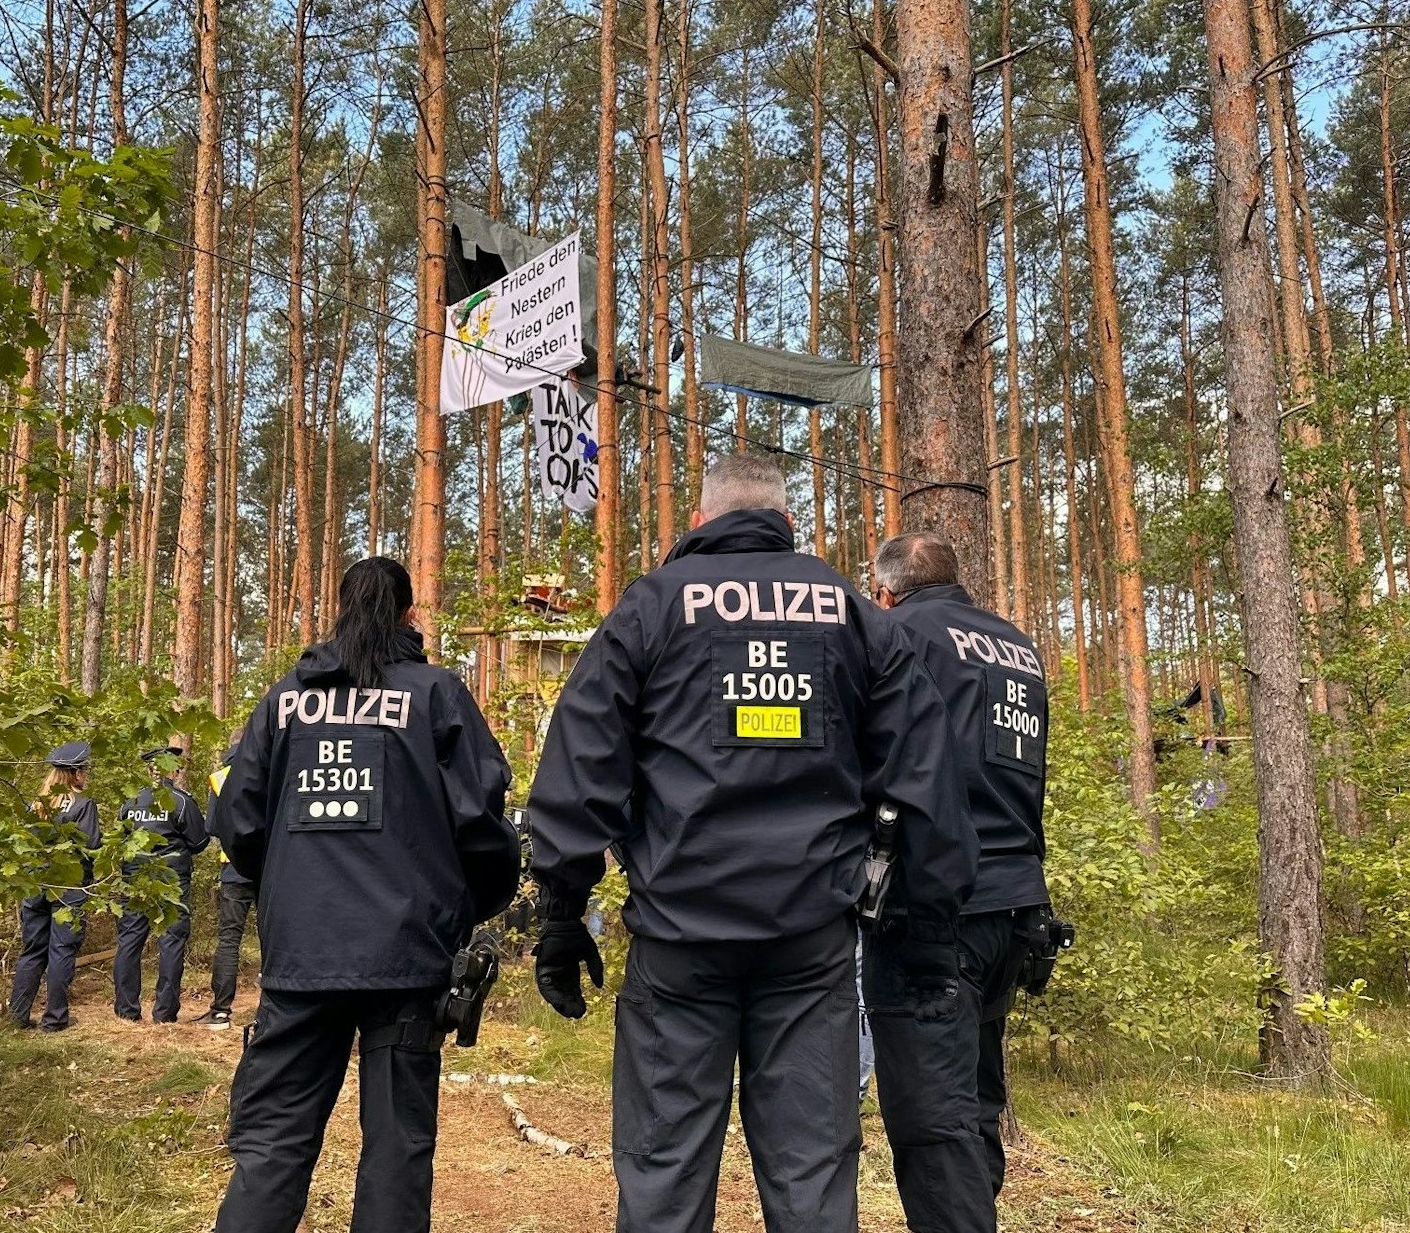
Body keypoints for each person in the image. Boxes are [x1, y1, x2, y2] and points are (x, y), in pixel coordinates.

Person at [527, 452, 976, 1233]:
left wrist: (561, 912)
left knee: (664, 1174)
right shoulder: (850, 609)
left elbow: (580, 765)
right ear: (787, 525)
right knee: (810, 1178)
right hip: (810, 944)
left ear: (698, 523)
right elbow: (927, 775)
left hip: (679, 939)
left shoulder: (652, 605)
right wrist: (931, 928)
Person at [210, 556, 521, 1233]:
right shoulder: (436, 696)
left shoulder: (285, 701)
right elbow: (485, 823)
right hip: (407, 959)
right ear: (411, 615)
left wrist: (290, 892)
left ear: (340, 609)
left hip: (303, 960)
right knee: (397, 1151)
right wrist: (467, 909)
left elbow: (236, 817)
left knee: (272, 1147)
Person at [869, 532, 1054, 1233]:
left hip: (933, 905)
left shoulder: (897, 633)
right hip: (1015, 904)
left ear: (887, 589)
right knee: (974, 1104)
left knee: (930, 1119)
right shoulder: (1017, 647)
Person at [7, 741, 102, 1032]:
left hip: (35, 886)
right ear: (74, 774)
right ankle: (55, 1019)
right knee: (61, 950)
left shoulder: (36, 805)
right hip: (69, 888)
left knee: (33, 949)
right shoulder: (83, 806)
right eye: (84, 771)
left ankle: (17, 1016)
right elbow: (92, 846)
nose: (86, 776)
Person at [114, 746, 210, 1024]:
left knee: (130, 941)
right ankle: (164, 1013)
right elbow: (200, 841)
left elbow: (120, 840)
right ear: (173, 769)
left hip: (134, 880)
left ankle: (126, 1011)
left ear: (148, 770)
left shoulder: (129, 802)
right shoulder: (180, 801)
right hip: (171, 882)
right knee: (171, 942)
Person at [197, 729, 255, 1031]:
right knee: (273, 938)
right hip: (267, 867)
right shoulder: (269, 770)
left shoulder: (219, 779)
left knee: (230, 938)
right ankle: (270, 1014)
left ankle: (220, 1012)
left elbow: (212, 827)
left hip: (233, 868)